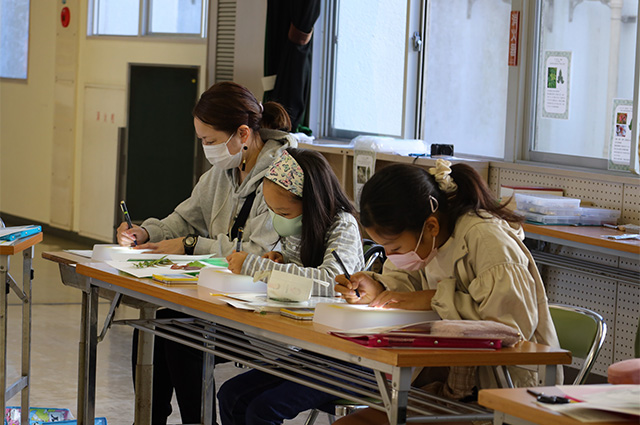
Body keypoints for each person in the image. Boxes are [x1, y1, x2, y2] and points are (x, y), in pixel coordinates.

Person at [117, 81, 297, 425]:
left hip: (259, 308)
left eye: (210, 141)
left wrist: (190, 245)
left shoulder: (282, 175)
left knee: (183, 336)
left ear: (243, 133)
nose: (206, 149)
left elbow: (254, 253)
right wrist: (145, 232)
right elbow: (184, 218)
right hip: (219, 299)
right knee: (153, 326)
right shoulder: (222, 172)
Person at [333, 160, 562, 425]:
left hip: (501, 393)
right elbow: (405, 284)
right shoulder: (424, 239)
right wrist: (378, 288)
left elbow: (510, 328)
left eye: (394, 247)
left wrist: (434, 299)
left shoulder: (487, 242)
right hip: (446, 383)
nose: (390, 255)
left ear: (431, 226)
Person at [217, 147, 365, 425]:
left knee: (264, 409)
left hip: (344, 356)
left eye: (283, 211)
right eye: (273, 211)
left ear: (312, 202)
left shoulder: (343, 225)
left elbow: (331, 282)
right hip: (310, 348)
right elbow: (296, 276)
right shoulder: (299, 228)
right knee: (231, 395)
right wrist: (279, 261)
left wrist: (258, 267)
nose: (278, 219)